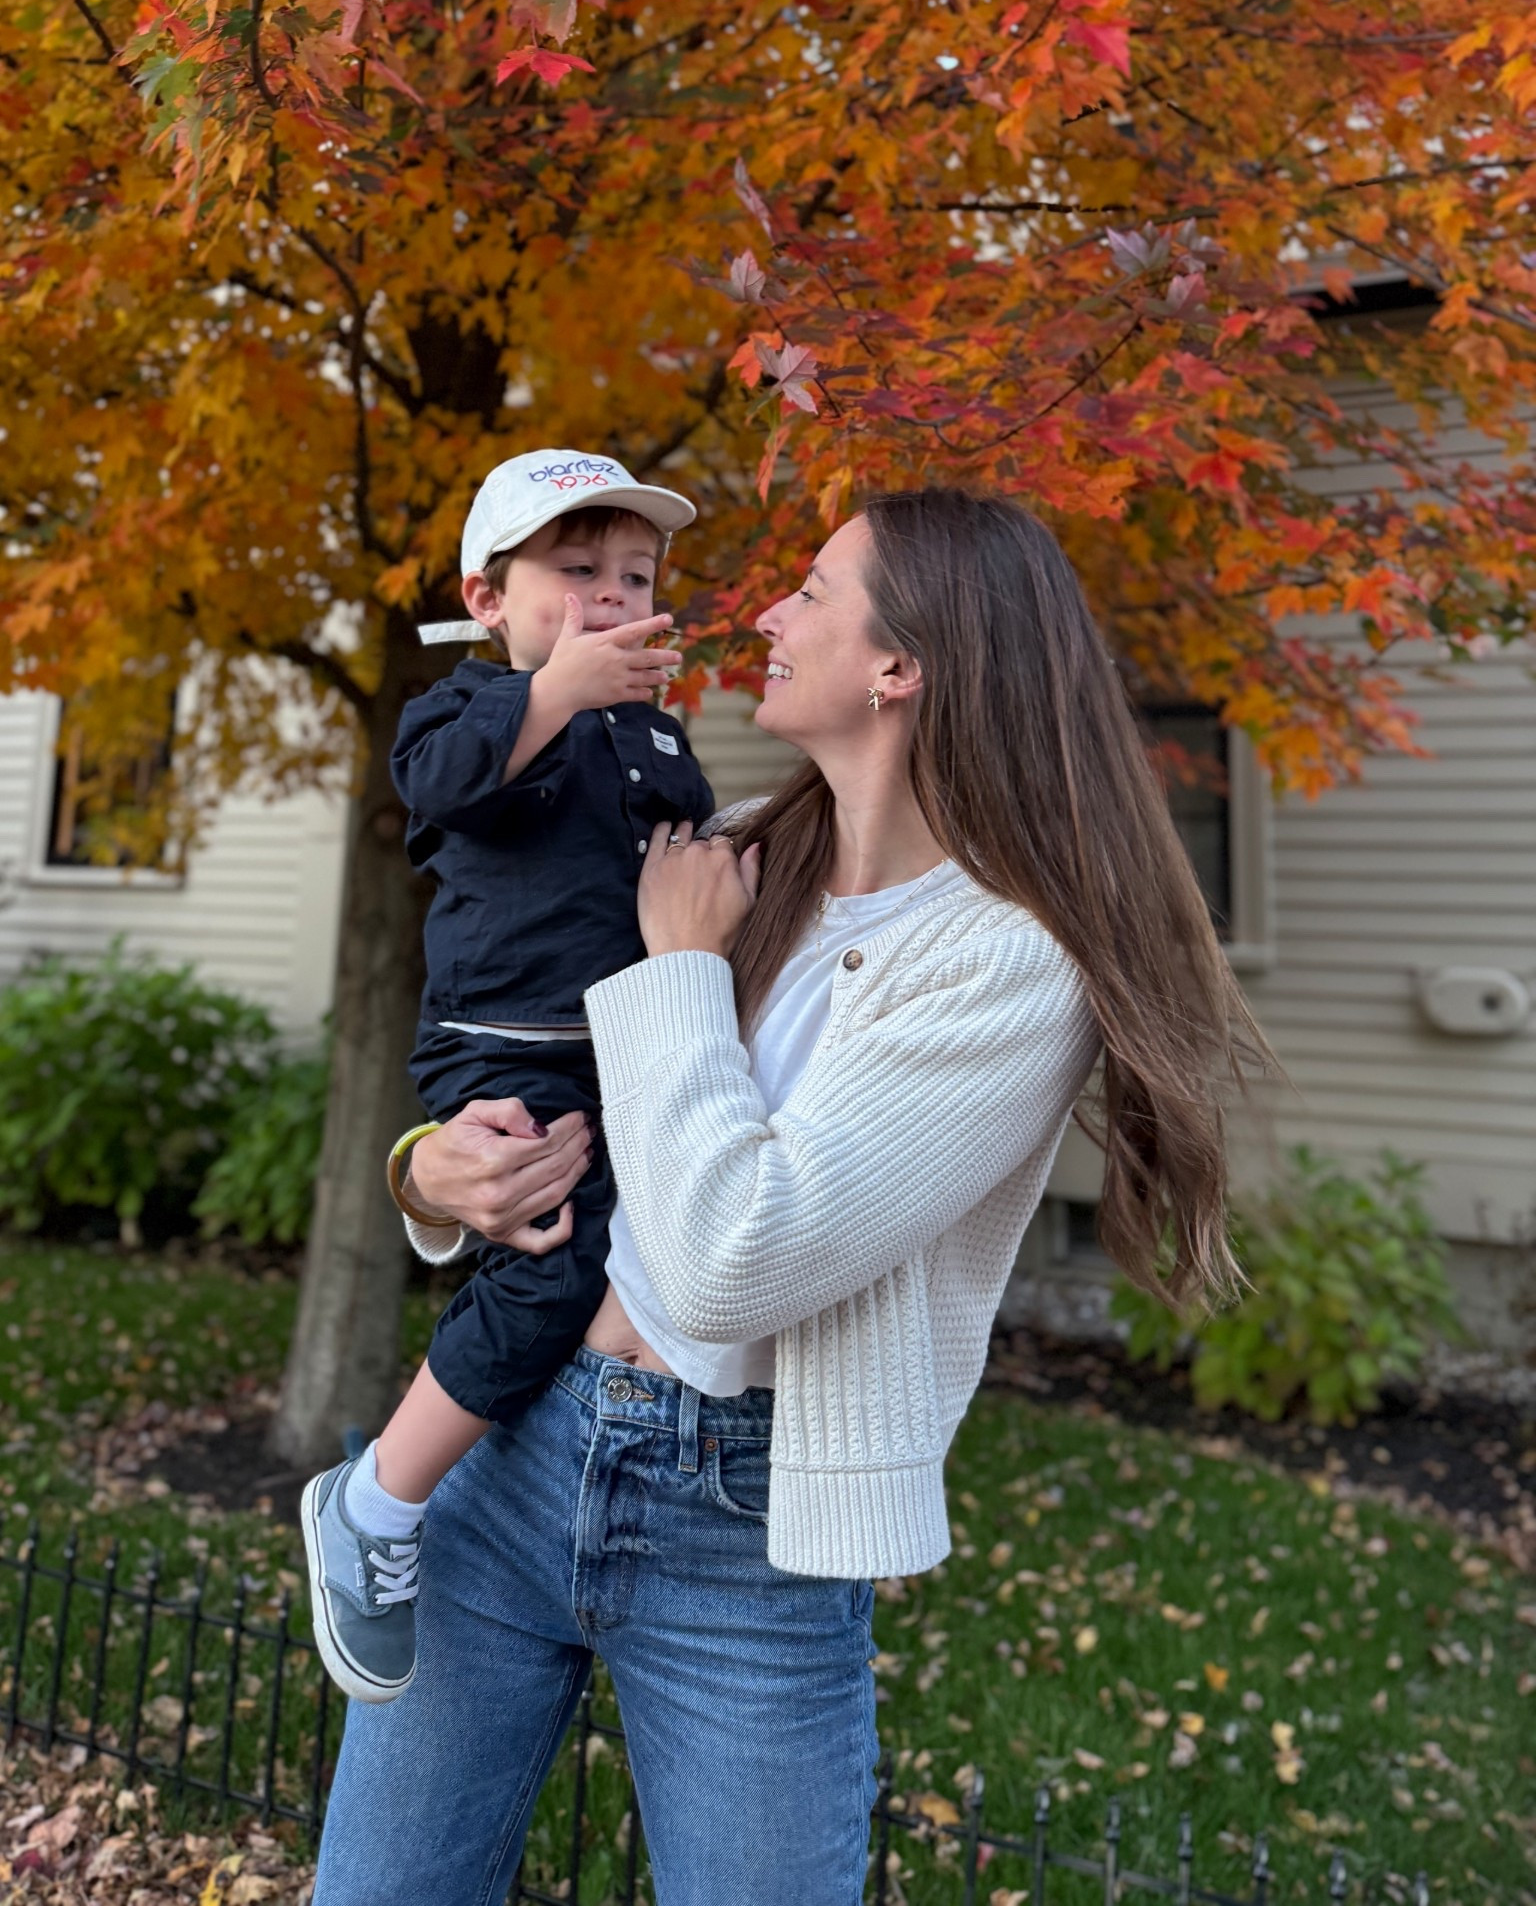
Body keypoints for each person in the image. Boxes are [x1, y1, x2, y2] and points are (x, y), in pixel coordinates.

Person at [312, 487, 1267, 1906]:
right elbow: (558, 1062)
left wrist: (681, 968)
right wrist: (432, 1174)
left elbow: (729, 1264)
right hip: (518, 1443)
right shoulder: (743, 851)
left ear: (904, 665)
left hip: (745, 1531)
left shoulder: (1011, 964)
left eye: (812, 592)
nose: (762, 611)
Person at [301, 450, 715, 1705]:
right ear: (488, 597)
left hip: (619, 1050)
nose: (608, 596)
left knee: (618, 1259)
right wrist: (556, 693)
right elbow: (436, 787)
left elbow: (681, 850)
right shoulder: (464, 707)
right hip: (502, 1046)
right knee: (545, 1274)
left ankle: (519, 1477)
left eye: (633, 575)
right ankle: (378, 1496)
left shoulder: (653, 731)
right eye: (575, 570)